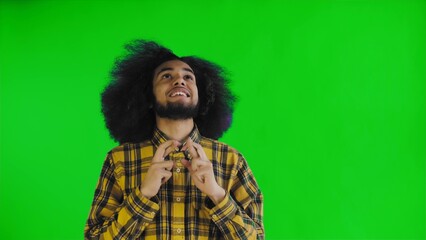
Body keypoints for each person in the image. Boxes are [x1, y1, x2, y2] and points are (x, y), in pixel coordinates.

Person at [84, 40, 264, 239]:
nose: (179, 80)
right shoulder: (119, 160)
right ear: (148, 97)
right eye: (166, 76)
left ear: (201, 96)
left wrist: (217, 194)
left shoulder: (231, 160)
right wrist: (143, 195)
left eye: (189, 77)